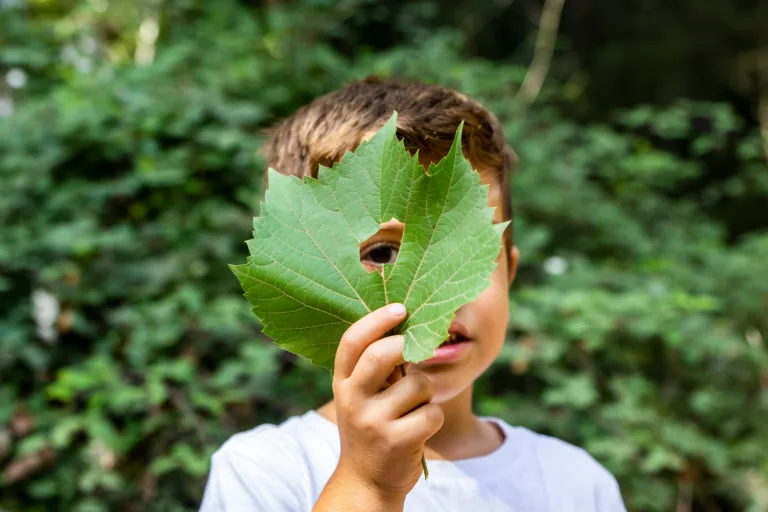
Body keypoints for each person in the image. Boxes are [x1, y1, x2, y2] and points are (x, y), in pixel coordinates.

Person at [199, 77, 626, 512]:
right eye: (382, 252)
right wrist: (367, 486)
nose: (429, 289)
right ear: (300, 285)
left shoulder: (578, 486)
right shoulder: (263, 470)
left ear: (509, 270)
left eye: (464, 250)